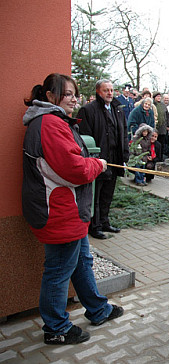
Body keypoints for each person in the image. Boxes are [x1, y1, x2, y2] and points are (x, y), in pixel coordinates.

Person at [22, 73, 124, 345]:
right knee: (57, 271)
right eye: (67, 94)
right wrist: (98, 165)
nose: (74, 99)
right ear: (49, 96)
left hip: (70, 212)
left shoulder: (54, 122)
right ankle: (56, 328)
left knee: (82, 262)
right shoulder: (49, 124)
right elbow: (74, 169)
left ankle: (98, 309)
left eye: (74, 93)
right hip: (57, 212)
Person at [78, 79, 129, 240]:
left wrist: (125, 156)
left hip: (114, 159)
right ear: (98, 92)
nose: (109, 93)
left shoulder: (117, 110)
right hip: (98, 160)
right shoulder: (88, 110)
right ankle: (95, 226)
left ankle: (104, 221)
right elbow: (84, 138)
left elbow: (124, 133)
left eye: (111, 90)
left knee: (108, 193)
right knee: (96, 195)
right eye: (106, 90)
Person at [153, 92, 168, 160]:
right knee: (155, 143)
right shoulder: (153, 104)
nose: (159, 98)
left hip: (163, 128)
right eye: (157, 96)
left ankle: (160, 157)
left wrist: (167, 124)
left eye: (159, 96)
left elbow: (166, 115)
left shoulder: (163, 105)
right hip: (155, 127)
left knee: (161, 144)